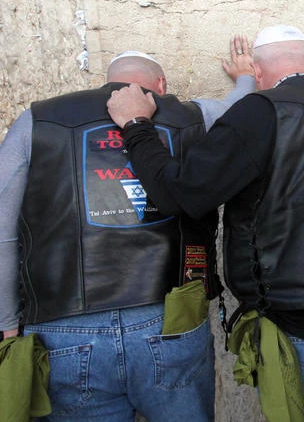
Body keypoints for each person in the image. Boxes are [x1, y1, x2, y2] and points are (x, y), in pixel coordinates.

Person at [105, 24, 304, 422]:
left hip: (303, 317)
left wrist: (136, 127)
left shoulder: (262, 110)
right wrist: (243, 83)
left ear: (258, 68)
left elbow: (181, 192)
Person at [0, 38, 256, 421]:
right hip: (167, 318)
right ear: (161, 85)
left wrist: (5, 322)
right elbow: (240, 110)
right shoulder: (191, 116)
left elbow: (4, 229)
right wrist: (246, 78)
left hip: (64, 327)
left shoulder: (37, 120)